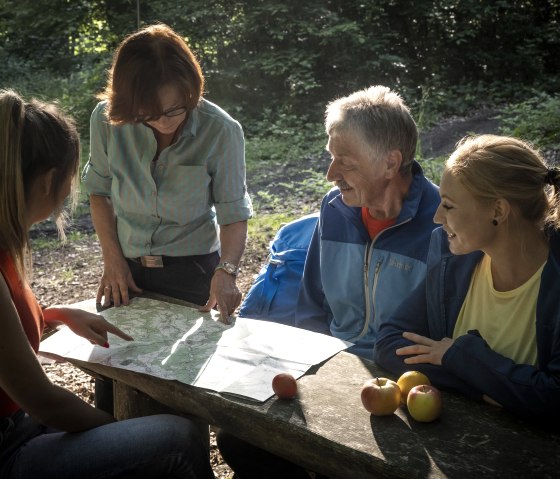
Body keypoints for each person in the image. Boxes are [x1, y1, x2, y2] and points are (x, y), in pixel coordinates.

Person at [217, 85, 441, 477]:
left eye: (345, 162)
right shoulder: (334, 209)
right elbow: (311, 304)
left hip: (406, 388)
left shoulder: (442, 223)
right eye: (331, 158)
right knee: (240, 440)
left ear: (391, 163)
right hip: (333, 367)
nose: (331, 174)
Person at [0, 89, 214, 478]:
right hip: (9, 451)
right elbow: (44, 401)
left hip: (20, 428)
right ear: (49, 181)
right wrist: (122, 434)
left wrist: (57, 314)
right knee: (177, 439)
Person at [82, 23, 252, 413]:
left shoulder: (221, 131)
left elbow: (233, 212)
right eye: (149, 114)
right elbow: (99, 192)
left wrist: (227, 271)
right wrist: (112, 260)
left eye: (176, 109)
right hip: (125, 270)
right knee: (113, 383)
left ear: (192, 89)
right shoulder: (107, 121)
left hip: (193, 272)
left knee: (182, 391)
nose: (165, 121)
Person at [374, 134, 560, 420]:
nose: (437, 217)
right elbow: (389, 344)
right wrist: (478, 383)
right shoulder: (452, 263)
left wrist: (461, 356)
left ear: (497, 211)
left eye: (448, 205)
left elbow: (553, 396)